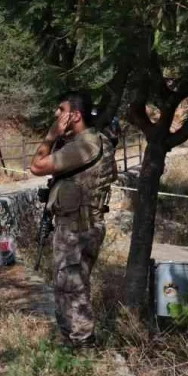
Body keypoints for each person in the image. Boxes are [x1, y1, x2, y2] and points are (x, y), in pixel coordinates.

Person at [29, 91, 117, 348]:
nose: (56, 115)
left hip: (77, 228)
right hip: (82, 223)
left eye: (61, 110)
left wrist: (51, 135)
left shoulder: (84, 145)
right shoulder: (94, 141)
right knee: (68, 284)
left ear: (75, 115)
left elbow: (37, 166)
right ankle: (72, 342)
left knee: (73, 286)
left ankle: (83, 345)